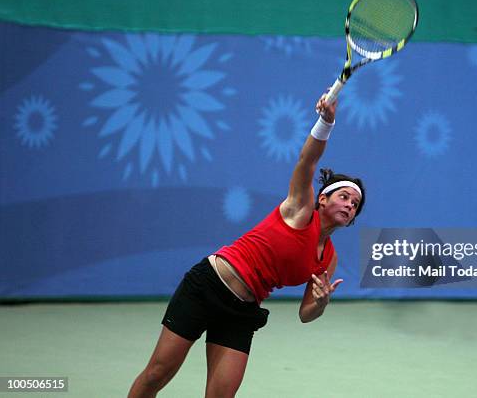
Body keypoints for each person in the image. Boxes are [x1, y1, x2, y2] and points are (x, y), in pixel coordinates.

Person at [128, 91, 366, 398]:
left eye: (355, 204)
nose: (349, 205)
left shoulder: (328, 260)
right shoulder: (300, 208)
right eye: (344, 197)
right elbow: (307, 160)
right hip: (208, 285)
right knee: (157, 374)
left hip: (242, 310)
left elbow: (305, 314)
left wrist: (320, 303)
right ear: (322, 199)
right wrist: (325, 122)